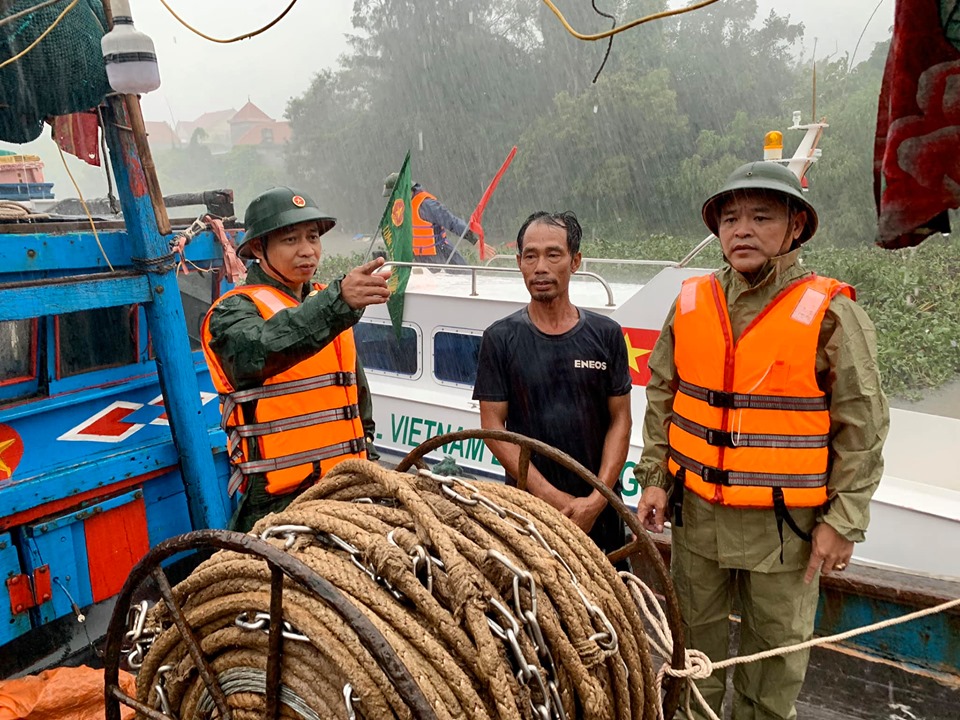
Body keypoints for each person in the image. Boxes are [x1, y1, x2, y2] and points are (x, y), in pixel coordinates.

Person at [634, 162, 889, 720]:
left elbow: (863, 428)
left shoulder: (831, 313)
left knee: (772, 665)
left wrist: (842, 522)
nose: (741, 230)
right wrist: (654, 478)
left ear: (795, 226)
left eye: (761, 216)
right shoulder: (691, 301)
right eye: (730, 219)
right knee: (691, 656)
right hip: (697, 518)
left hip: (787, 532)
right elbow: (662, 396)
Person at [201, 186, 391, 533]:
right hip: (276, 505)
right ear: (258, 248)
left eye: (313, 237)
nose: (307, 251)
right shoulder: (232, 311)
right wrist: (339, 303)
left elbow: (357, 403)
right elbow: (257, 352)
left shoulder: (329, 304)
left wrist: (373, 470)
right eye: (290, 240)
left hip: (347, 491)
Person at [472, 210, 632, 557]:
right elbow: (492, 427)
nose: (540, 266)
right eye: (530, 255)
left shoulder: (606, 336)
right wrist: (552, 498)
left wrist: (596, 500)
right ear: (519, 263)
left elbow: (621, 419)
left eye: (553, 254)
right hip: (529, 514)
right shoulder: (500, 339)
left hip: (601, 512)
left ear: (575, 261)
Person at [382, 172, 479, 265]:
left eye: (393, 195)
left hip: (441, 254)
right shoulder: (400, 208)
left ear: (402, 190)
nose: (392, 198)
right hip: (419, 259)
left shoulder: (427, 205)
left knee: (464, 277)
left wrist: (474, 240)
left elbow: (451, 221)